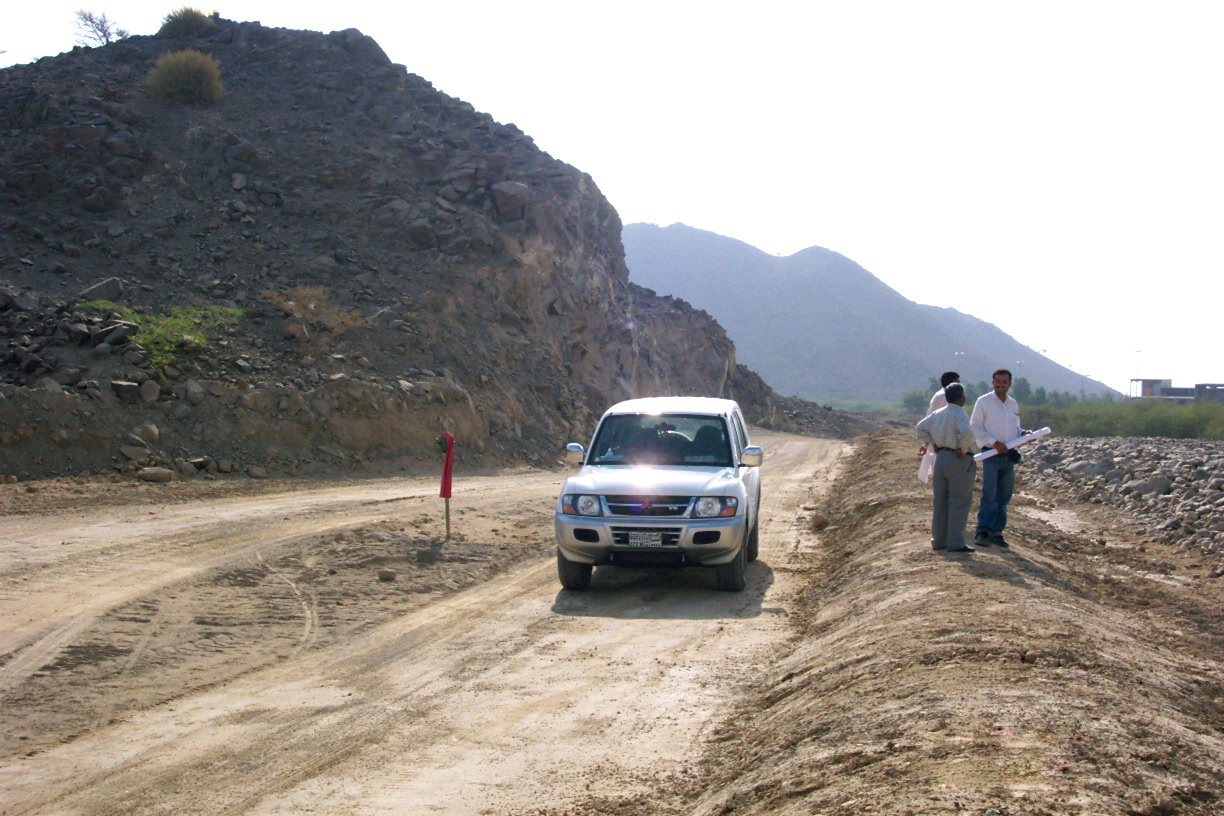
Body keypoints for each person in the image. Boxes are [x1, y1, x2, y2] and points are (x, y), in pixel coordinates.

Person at [970, 368, 1030, 548]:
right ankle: (983, 531)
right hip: (991, 454)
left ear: (1010, 384)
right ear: (992, 382)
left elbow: (1015, 429)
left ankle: (997, 532)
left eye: (1004, 382)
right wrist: (993, 442)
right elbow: (975, 427)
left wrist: (1024, 434)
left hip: (1008, 456)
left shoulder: (1012, 404)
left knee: (1004, 496)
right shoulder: (984, 402)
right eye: (998, 381)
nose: (1000, 385)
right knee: (989, 494)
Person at [915, 383, 978, 553]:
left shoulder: (937, 413)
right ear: (960, 397)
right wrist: (964, 450)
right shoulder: (960, 414)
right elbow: (965, 433)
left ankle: (938, 540)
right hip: (958, 459)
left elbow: (920, 428)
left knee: (940, 501)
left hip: (941, 458)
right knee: (959, 501)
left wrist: (933, 442)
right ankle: (956, 542)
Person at [918, 371, 960, 457]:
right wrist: (926, 444)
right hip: (938, 444)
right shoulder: (941, 397)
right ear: (953, 382)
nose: (959, 383)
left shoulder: (953, 397)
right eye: (957, 381)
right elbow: (929, 421)